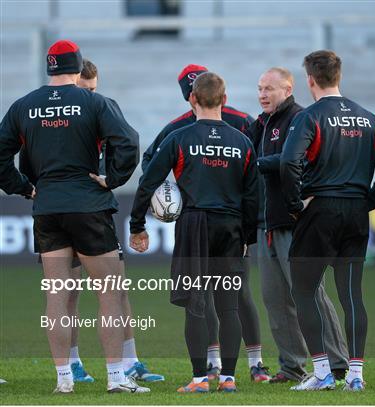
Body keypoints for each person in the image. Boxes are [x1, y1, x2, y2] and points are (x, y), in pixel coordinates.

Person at [0, 40, 147, 394]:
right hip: (89, 205)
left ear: (49, 68)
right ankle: (116, 378)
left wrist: (23, 187)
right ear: (79, 68)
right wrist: (113, 178)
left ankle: (64, 379)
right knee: (109, 293)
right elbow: (128, 141)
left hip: (47, 207)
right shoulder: (94, 102)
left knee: (56, 296)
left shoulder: (24, 105)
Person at [280, 50, 375, 391]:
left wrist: (293, 205)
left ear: (310, 80)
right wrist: (371, 199)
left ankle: (321, 374)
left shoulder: (310, 116)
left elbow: (289, 162)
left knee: (303, 290)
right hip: (355, 212)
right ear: (339, 76)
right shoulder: (368, 117)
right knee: (351, 294)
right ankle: (356, 376)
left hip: (320, 210)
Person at [129, 72, 258, 393]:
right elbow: (254, 196)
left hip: (194, 226)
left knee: (196, 303)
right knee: (229, 306)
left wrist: (137, 225)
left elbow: (148, 182)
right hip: (231, 228)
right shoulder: (242, 142)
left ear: (192, 99)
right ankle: (228, 378)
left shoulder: (180, 138)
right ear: (224, 100)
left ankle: (200, 378)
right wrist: (248, 238)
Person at [247, 66, 349, 383]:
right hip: (266, 223)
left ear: (289, 90)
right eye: (260, 88)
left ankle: (337, 362)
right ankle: (292, 365)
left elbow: (299, 160)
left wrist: (258, 163)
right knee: (274, 297)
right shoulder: (260, 124)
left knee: (309, 292)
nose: (263, 94)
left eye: (270, 89)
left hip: (295, 221)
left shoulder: (300, 118)